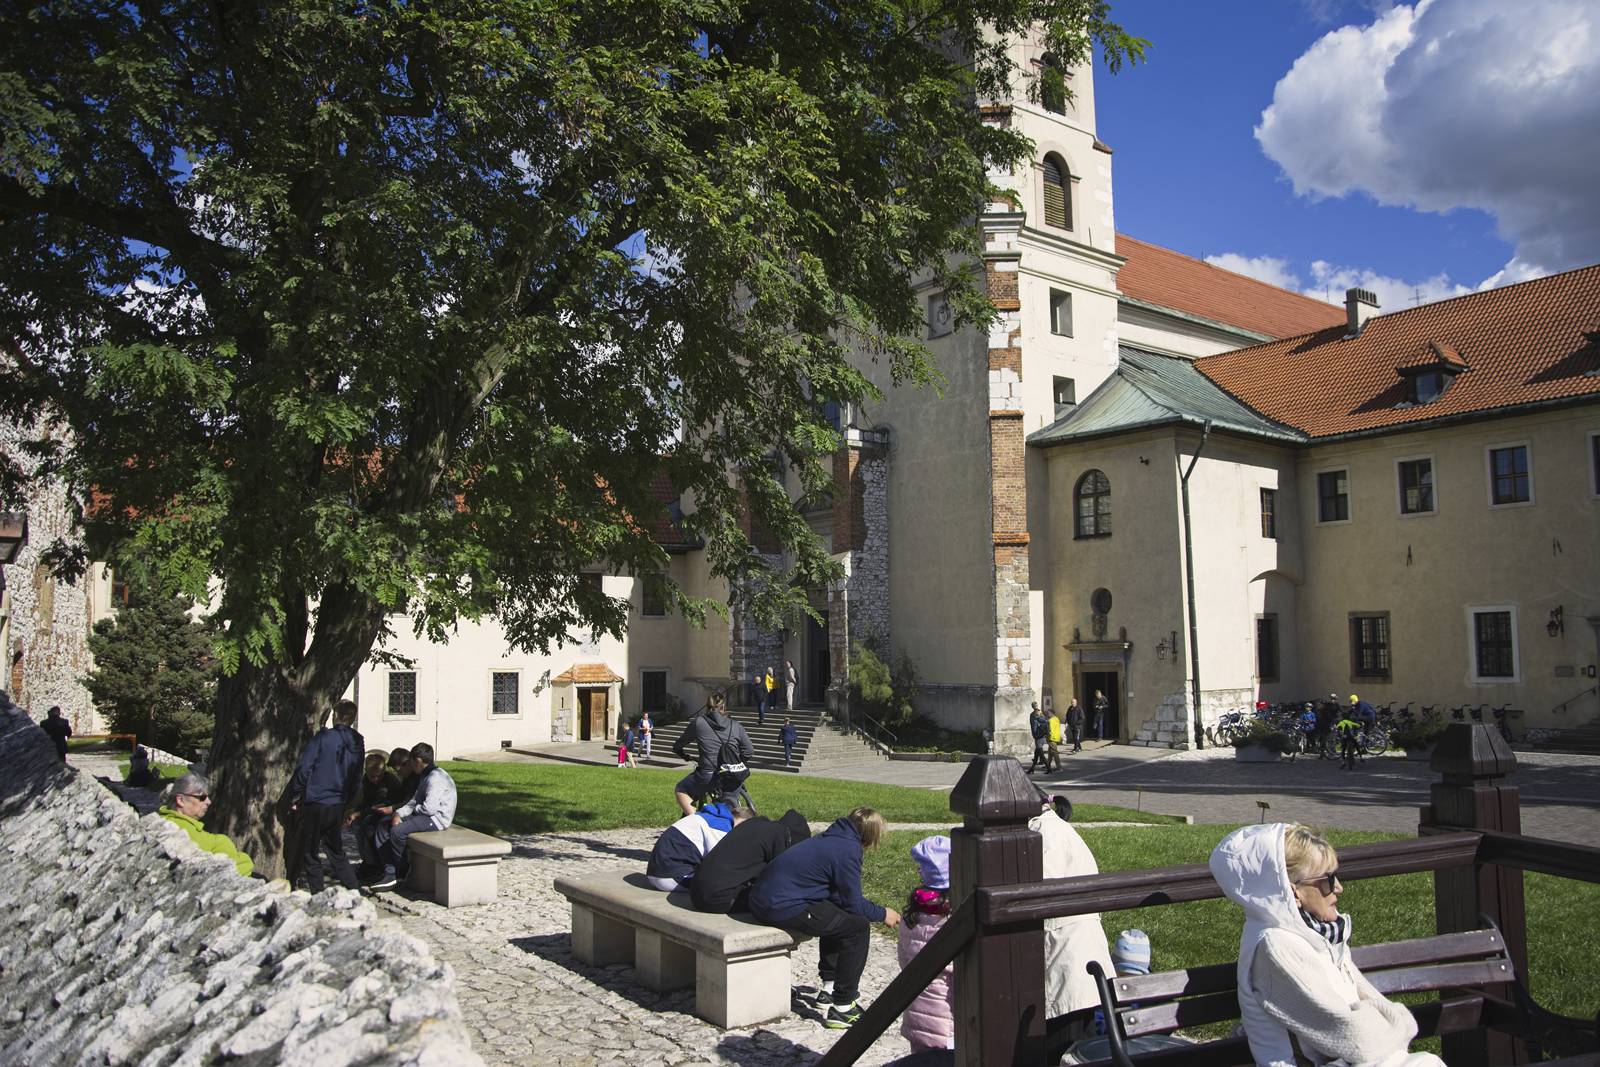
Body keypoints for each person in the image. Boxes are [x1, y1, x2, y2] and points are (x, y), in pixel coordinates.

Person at [1210, 823, 1445, 1067]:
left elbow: (1381, 1022)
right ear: (1293, 892)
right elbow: (1358, 1041)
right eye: (1328, 879)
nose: (1339, 888)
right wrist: (1389, 1023)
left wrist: (1386, 1023)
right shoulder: (1277, 946)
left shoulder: (1316, 936)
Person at [748, 807, 901, 1030]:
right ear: (870, 833)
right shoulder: (848, 849)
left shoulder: (831, 837)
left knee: (837, 917)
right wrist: (883, 913)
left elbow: (842, 900)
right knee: (857, 928)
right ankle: (843, 1007)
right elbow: (854, 904)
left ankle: (828, 989)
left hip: (763, 899)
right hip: (780, 906)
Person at [1032, 791, 1114, 1040]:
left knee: (1067, 1040)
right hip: (1079, 949)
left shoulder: (1046, 834)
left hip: (1068, 952)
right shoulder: (1055, 828)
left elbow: (1039, 892)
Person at [288, 698, 365, 893]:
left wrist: (295, 794)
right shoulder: (357, 741)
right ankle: (354, 888)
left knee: (310, 851)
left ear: (336, 716)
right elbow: (357, 776)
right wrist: (348, 803)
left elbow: (305, 768)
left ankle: (318, 893)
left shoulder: (324, 738)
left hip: (316, 800)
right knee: (335, 850)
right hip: (338, 802)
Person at [368, 742, 455, 892]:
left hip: (437, 819)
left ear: (418, 762)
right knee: (384, 825)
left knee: (398, 831)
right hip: (425, 815)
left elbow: (429, 809)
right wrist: (398, 813)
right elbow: (415, 800)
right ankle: (389, 872)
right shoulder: (425, 775)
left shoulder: (436, 778)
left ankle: (401, 869)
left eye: (412, 763)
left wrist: (410, 813)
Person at [897, 835, 955, 1052]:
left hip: (916, 1012)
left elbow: (903, 958)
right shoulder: (952, 921)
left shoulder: (911, 916)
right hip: (947, 1019)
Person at [689, 808, 810, 912]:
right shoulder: (780, 836)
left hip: (696, 894)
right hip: (717, 899)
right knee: (779, 901)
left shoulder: (754, 825)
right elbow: (781, 880)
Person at [672, 695, 754, 816]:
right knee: (730, 801)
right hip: (732, 775)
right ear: (724, 707)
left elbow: (679, 744)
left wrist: (681, 753)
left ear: (707, 706)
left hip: (708, 775)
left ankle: (696, 821)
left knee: (681, 789)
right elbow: (749, 751)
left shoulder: (699, 723)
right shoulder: (736, 725)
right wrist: (735, 761)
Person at [159, 773, 254, 877]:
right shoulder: (179, 829)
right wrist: (246, 861)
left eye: (208, 797)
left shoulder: (169, 822)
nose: (208, 802)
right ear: (180, 800)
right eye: (202, 797)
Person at [646, 801, 745, 891]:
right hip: (671, 877)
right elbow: (719, 863)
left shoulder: (707, 816)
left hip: (655, 874)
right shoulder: (721, 826)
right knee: (725, 885)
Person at [349, 751, 403, 880]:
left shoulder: (389, 781)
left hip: (390, 811)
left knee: (369, 828)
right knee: (358, 826)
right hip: (373, 812)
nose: (375, 779)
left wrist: (358, 813)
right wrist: (352, 811)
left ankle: (376, 864)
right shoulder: (365, 780)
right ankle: (368, 861)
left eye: (377, 776)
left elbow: (380, 803)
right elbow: (365, 801)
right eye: (371, 776)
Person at [1027, 702, 1048, 773]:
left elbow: (1033, 726)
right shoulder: (1041, 713)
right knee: (1037, 753)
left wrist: (1034, 735)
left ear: (1032, 706)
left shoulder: (1033, 714)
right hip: (1042, 734)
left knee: (1041, 753)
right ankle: (1032, 769)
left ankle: (1049, 768)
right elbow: (1045, 721)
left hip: (1038, 736)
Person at [1046, 706, 1063, 772]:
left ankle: (1059, 767)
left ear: (1051, 713)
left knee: (1055, 753)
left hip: (1052, 738)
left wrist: (1048, 737)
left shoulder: (1050, 720)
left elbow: (1050, 730)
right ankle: (1048, 765)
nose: (1047, 714)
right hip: (1056, 737)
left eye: (1048, 713)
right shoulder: (1057, 719)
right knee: (1050, 752)